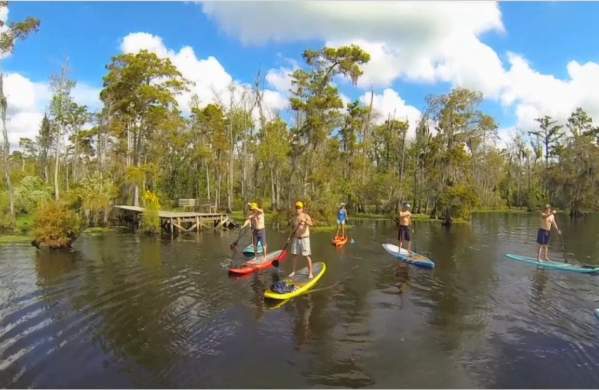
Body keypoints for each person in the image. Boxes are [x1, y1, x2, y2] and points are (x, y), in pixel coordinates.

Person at [289, 201, 314, 279]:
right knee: (294, 255)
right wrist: (289, 237)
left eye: (299, 208)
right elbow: (293, 229)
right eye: (296, 207)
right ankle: (293, 271)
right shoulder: (294, 218)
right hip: (296, 238)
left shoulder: (306, 216)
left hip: (304, 239)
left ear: (302, 208)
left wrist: (305, 221)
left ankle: (310, 273)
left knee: (307, 256)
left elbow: (311, 224)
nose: (297, 209)